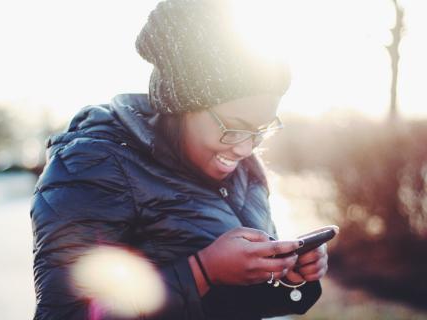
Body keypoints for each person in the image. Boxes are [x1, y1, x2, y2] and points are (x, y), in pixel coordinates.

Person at [30, 0, 328, 319]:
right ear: (180, 104)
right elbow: (69, 313)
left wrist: (284, 274)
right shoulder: (93, 165)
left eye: (260, 130)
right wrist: (202, 271)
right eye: (235, 128)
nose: (245, 148)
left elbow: (234, 305)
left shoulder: (243, 170)